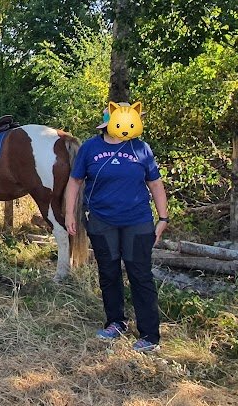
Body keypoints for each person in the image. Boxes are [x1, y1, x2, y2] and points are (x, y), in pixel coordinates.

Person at [64, 101, 169, 353]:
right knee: (108, 273)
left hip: (137, 222)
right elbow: (75, 181)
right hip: (102, 222)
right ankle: (115, 322)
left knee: (140, 276)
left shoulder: (141, 148)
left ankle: (149, 335)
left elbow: (155, 184)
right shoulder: (90, 147)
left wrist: (163, 218)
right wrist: (70, 214)